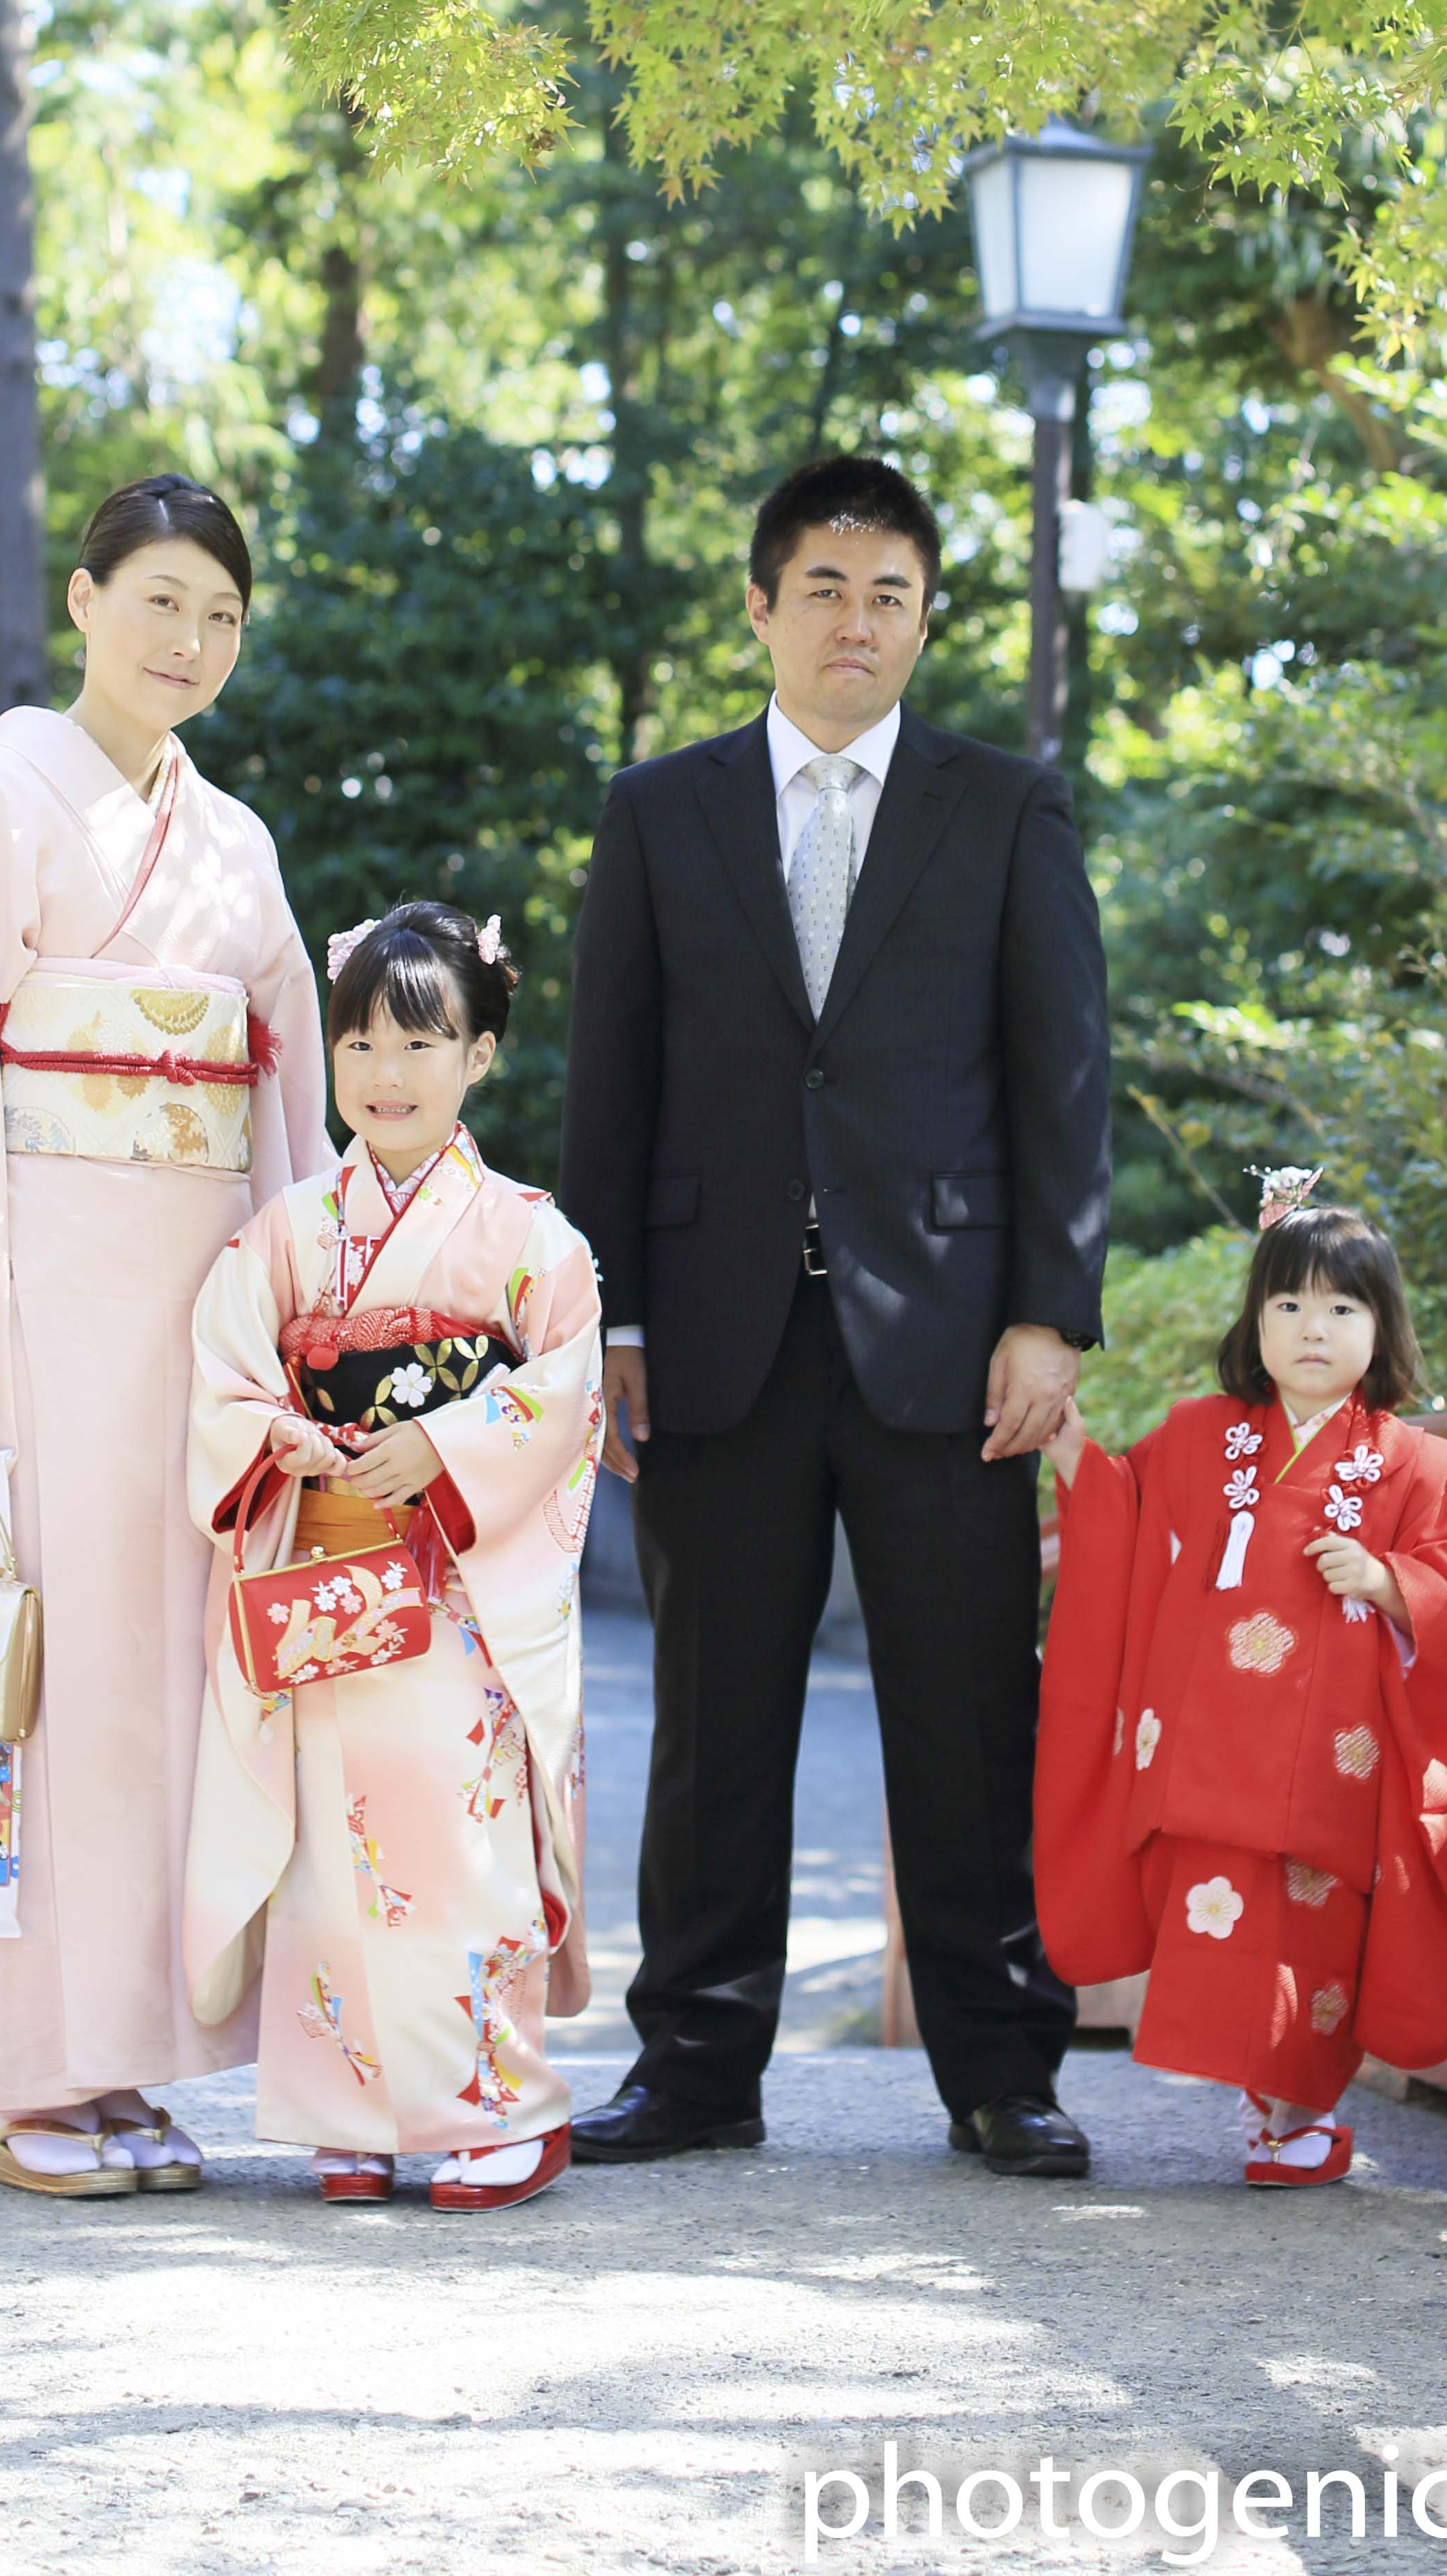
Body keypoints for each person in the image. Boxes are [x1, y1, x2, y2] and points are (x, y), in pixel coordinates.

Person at [557, 450, 1110, 2178]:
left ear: (923, 620)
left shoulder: (1001, 805)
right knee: (717, 1712)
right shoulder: (659, 811)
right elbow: (609, 1083)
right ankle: (699, 2062)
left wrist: (1050, 1314)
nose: (855, 620)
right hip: (715, 1329)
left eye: (889, 594)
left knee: (964, 1708)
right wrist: (608, 1315)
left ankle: (999, 2065)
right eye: (824, 588)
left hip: (946, 1338)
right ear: (760, 606)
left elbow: (1061, 1076)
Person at [0, 474, 331, 2199]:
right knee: (41, 1678)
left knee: (175, 1679)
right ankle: (34, 2075)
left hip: (197, 1307)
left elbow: (288, 1102)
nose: (189, 640)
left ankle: (133, 2060)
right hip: (33, 1291)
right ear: (84, 600)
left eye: (221, 615)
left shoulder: (234, 844)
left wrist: (304, 1315)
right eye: (159, 598)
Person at [181, 903, 601, 2209]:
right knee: (327, 1846)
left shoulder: (532, 1234)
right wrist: (291, 1443)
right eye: (358, 1039)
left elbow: (566, 1388)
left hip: (456, 1587)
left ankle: (501, 2110)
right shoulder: (288, 1230)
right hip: (323, 1573)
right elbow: (225, 1374)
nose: (384, 1071)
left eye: (422, 1040)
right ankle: (347, 2104)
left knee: (455, 1842)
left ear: (480, 1056)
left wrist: (446, 1447)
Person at [1034, 1172, 1447, 2184]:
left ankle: (1303, 2105)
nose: (1311, 1328)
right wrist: (1072, 1448)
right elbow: (1124, 1510)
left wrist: (1386, 1579)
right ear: (1255, 1321)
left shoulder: (1412, 1463)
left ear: (1382, 1327)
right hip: (1213, 1755)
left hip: (1334, 1759)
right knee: (1226, 1919)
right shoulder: (1204, 1434)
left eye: (1341, 1306)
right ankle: (1267, 2099)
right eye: (1285, 1304)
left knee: (1313, 1935)